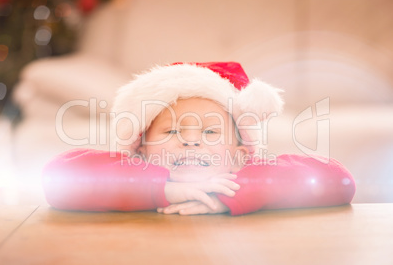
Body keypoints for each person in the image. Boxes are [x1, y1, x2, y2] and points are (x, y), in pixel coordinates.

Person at [42, 62, 356, 215]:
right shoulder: (132, 170)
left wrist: (233, 192)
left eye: (210, 131)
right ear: (139, 148)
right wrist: (161, 189)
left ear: (240, 153)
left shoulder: (243, 170)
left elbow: (341, 181)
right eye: (172, 131)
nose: (191, 141)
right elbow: (56, 178)